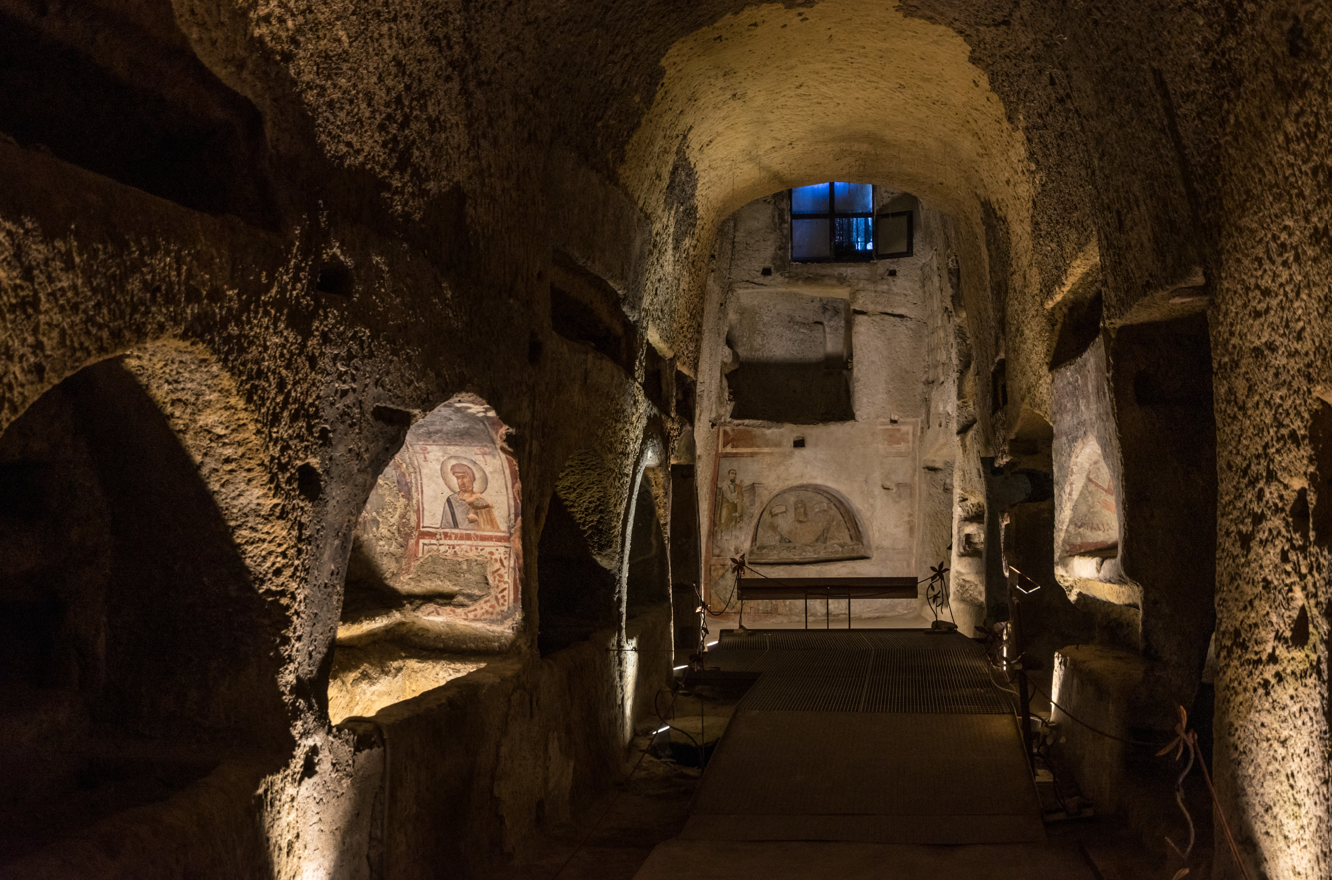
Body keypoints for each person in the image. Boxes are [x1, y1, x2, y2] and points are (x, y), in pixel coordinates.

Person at [442, 462, 500, 531]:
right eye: (458, 478)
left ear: (471, 478)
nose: (461, 482)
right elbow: (445, 527)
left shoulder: (480, 500)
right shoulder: (451, 501)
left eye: (464, 477)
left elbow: (491, 527)